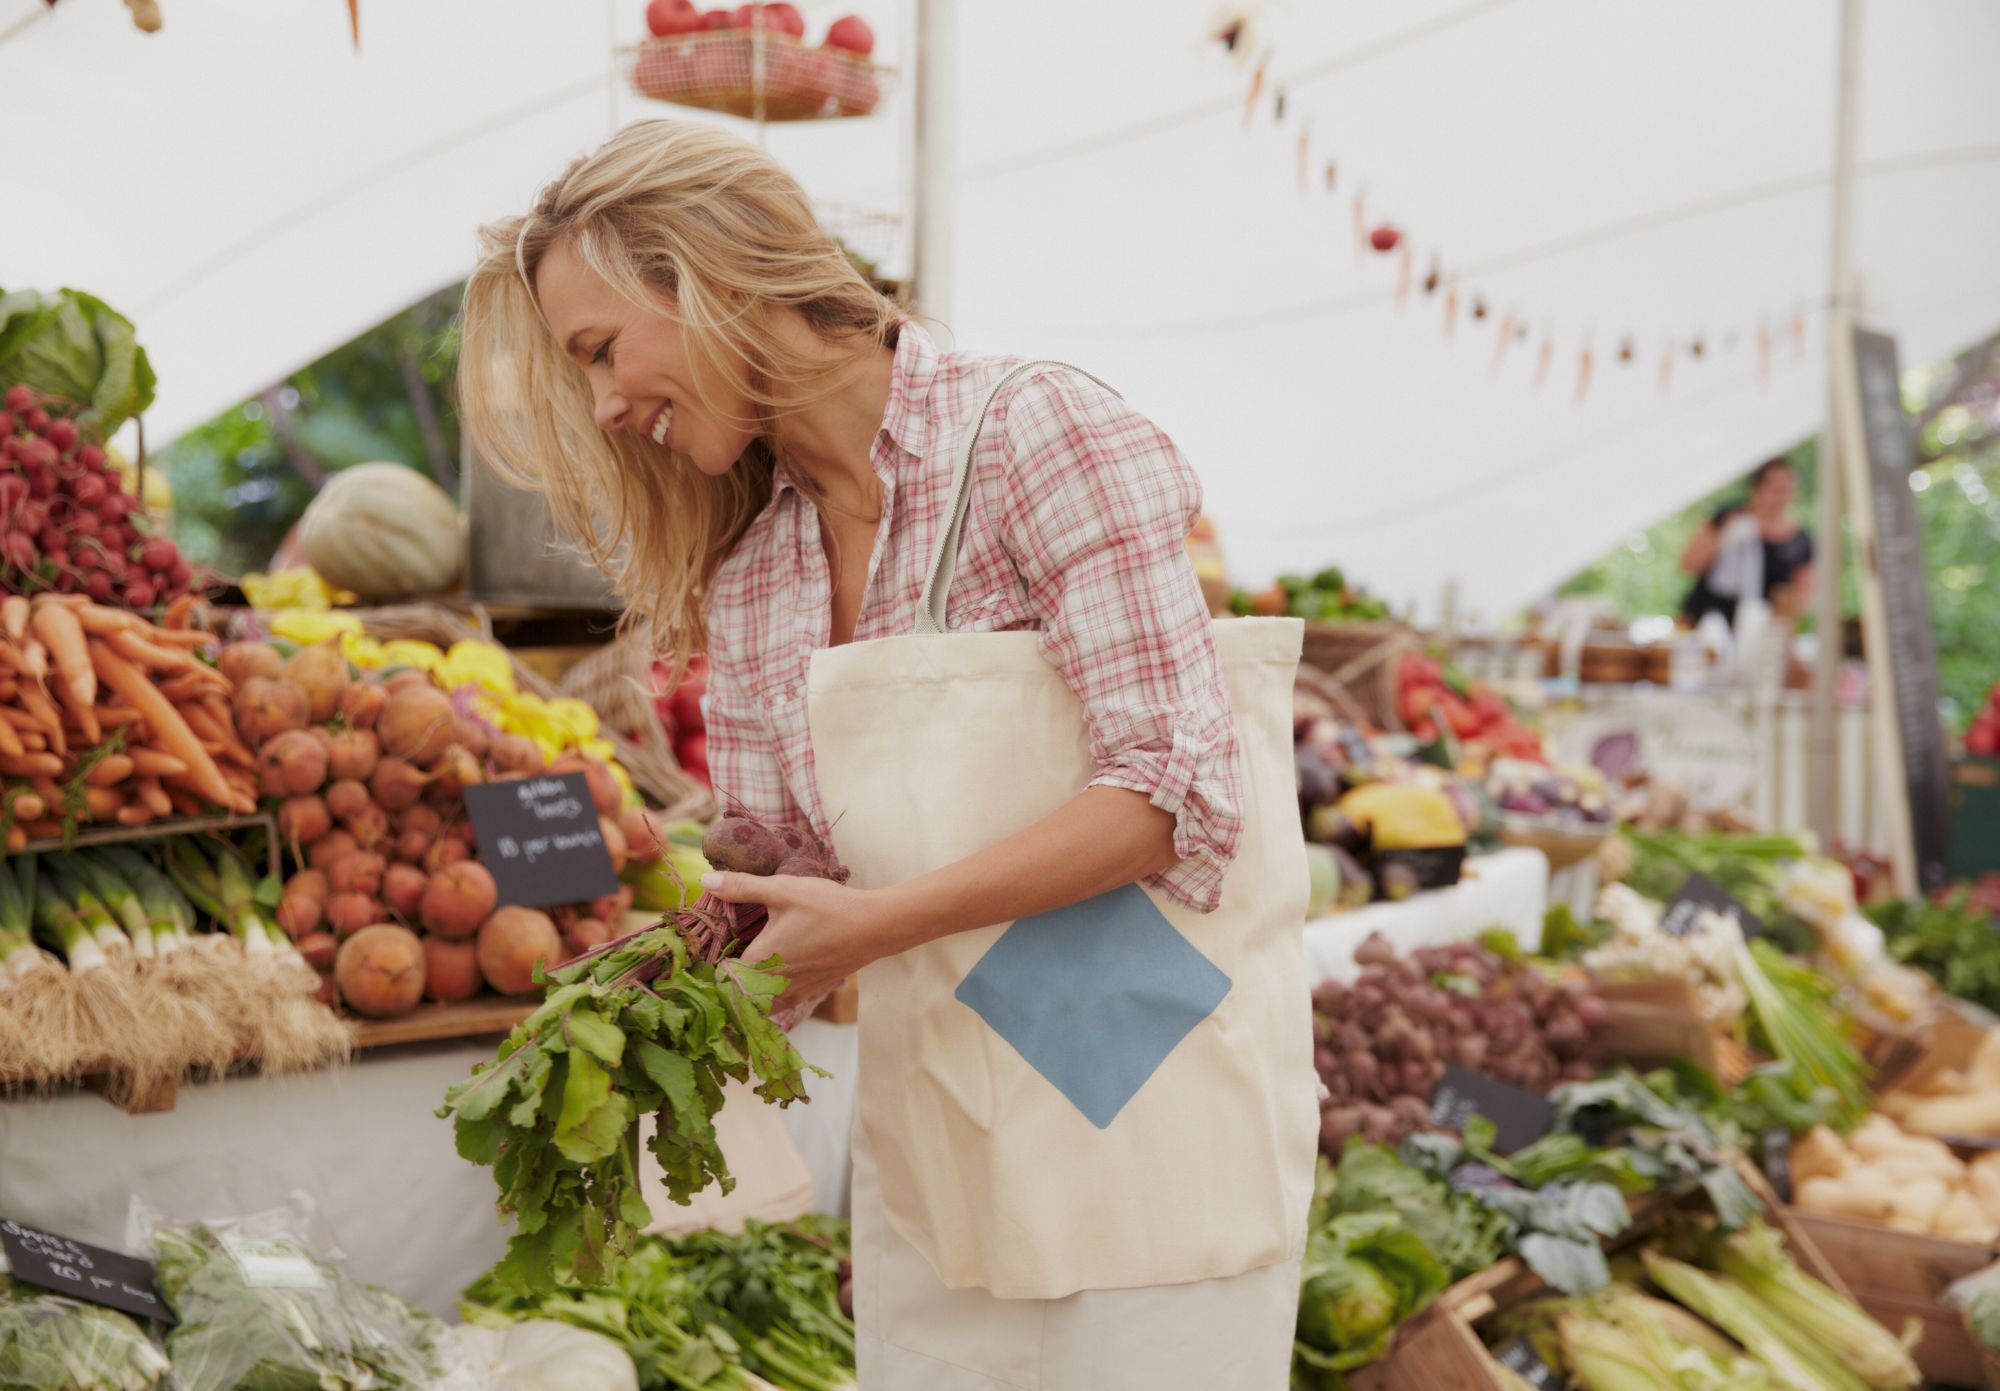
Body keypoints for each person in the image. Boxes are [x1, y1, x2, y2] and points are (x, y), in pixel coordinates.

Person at [456, 120, 1313, 1390]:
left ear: (712, 280)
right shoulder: (755, 572)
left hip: (1145, 1100)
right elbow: (788, 871)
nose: (603, 407)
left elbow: (1165, 801)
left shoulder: (1037, 435)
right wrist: (664, 962)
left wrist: (874, 923)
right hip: (946, 1139)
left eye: (600, 351)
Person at [1679, 456, 1815, 627]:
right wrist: (1723, 538)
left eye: (1787, 488)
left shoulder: (1800, 541)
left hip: (1758, 629)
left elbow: (1802, 598)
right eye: (1775, 488)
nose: (1781, 496)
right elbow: (1688, 564)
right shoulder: (1729, 518)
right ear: (1757, 488)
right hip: (1705, 618)